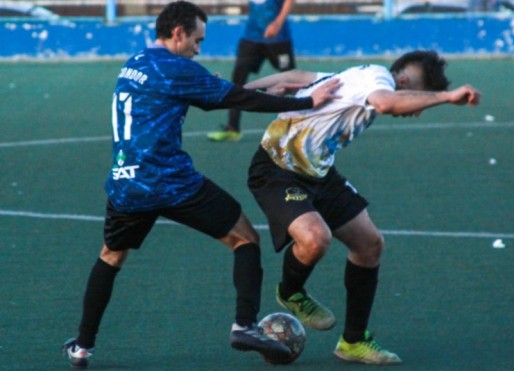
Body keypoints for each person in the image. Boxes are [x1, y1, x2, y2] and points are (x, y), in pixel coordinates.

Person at [61, 1, 340, 368]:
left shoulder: (136, 63)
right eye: (197, 40)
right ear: (178, 33)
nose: (199, 48)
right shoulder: (179, 68)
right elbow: (233, 97)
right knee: (245, 239)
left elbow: (216, 92)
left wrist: (268, 89)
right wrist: (307, 100)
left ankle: (82, 346)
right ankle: (244, 325)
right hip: (172, 181)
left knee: (111, 257)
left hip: (126, 182)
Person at [245, 50, 481, 365]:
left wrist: (241, 90)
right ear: (405, 81)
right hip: (275, 169)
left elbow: (294, 77)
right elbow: (386, 102)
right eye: (418, 99)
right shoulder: (378, 80)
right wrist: (446, 97)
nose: (418, 110)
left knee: (369, 245)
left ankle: (353, 341)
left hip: (318, 173)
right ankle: (291, 292)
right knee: (315, 239)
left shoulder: (360, 76)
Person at [207, 0, 296, 142]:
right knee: (238, 79)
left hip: (278, 38)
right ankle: (233, 128)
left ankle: (293, 127)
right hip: (251, 37)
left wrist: (278, 23)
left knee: (291, 82)